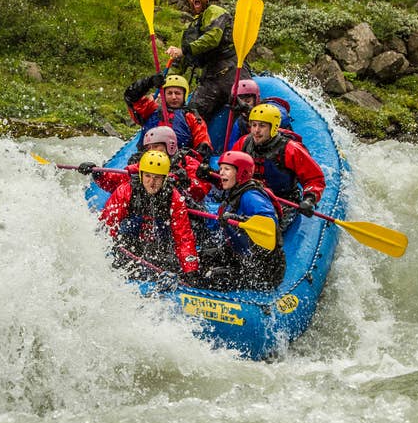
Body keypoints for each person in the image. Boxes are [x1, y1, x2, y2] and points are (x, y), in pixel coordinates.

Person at [99, 150, 199, 285]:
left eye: (157, 178)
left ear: (164, 178)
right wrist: (107, 248)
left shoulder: (173, 197)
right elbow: (108, 223)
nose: (151, 182)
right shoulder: (125, 191)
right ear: (140, 175)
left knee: (171, 267)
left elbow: (183, 237)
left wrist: (190, 270)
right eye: (147, 176)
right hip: (129, 243)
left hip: (158, 245)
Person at [166, 0, 251, 123]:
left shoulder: (215, 11)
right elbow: (181, 63)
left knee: (247, 110)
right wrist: (166, 84)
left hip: (232, 71)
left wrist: (184, 50)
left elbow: (212, 38)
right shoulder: (190, 29)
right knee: (193, 115)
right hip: (210, 79)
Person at [229, 103, 325, 230]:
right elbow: (229, 170)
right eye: (254, 125)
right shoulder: (244, 143)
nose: (256, 130)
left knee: (268, 229)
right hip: (249, 195)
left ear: (273, 127)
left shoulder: (291, 149)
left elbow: (314, 179)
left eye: (262, 126)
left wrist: (309, 199)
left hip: (283, 201)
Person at [198, 151, 285, 291]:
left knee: (209, 276)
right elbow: (218, 221)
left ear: (241, 173)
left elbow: (269, 223)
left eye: (227, 169)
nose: (221, 173)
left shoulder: (251, 195)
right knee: (200, 257)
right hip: (239, 254)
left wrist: (239, 220)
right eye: (220, 169)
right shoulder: (233, 192)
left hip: (263, 269)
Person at [78, 126, 212, 203]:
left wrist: (184, 183)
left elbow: (201, 191)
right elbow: (119, 181)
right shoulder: (145, 163)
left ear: (170, 146)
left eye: (156, 146)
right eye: (149, 147)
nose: (152, 151)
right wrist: (98, 174)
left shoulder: (187, 162)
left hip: (181, 210)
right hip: (150, 212)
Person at [124, 72, 212, 159]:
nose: (174, 97)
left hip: (177, 164)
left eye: (177, 93)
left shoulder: (192, 117)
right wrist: (149, 82)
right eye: (169, 93)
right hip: (146, 160)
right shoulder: (150, 110)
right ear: (163, 95)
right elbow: (130, 97)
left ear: (184, 95)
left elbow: (203, 146)